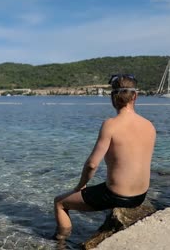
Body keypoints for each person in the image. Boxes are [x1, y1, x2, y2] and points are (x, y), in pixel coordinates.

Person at [53, 74, 156, 240]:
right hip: (140, 195)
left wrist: (80, 186)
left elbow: (92, 164)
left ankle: (60, 242)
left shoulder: (110, 125)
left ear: (112, 98)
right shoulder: (149, 125)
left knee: (59, 202)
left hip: (117, 195)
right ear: (135, 96)